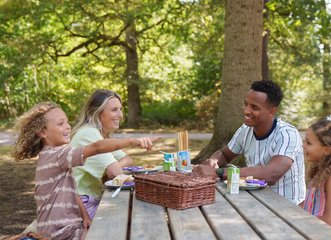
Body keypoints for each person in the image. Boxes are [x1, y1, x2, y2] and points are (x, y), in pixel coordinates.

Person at [12, 102, 158, 240]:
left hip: (65, 226)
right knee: (115, 231)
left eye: (67, 122)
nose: (68, 127)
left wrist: (86, 216)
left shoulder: (55, 155)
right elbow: (97, 147)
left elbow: (73, 191)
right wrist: (133, 141)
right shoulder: (58, 156)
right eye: (60, 124)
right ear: (43, 132)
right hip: (59, 233)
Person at [193, 80, 306, 205]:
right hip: (255, 200)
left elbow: (271, 175)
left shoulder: (287, 134)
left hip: (287, 208)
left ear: (272, 111)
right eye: (246, 104)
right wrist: (213, 162)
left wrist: (219, 172)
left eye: (255, 107)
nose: (246, 111)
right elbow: (224, 154)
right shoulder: (245, 130)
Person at [70, 89, 135, 218]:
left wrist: (113, 166)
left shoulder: (100, 135)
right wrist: (112, 168)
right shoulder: (88, 133)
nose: (121, 115)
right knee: (130, 216)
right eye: (114, 110)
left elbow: (129, 160)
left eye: (120, 109)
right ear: (97, 112)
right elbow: (116, 173)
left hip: (88, 200)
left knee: (131, 212)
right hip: (79, 205)